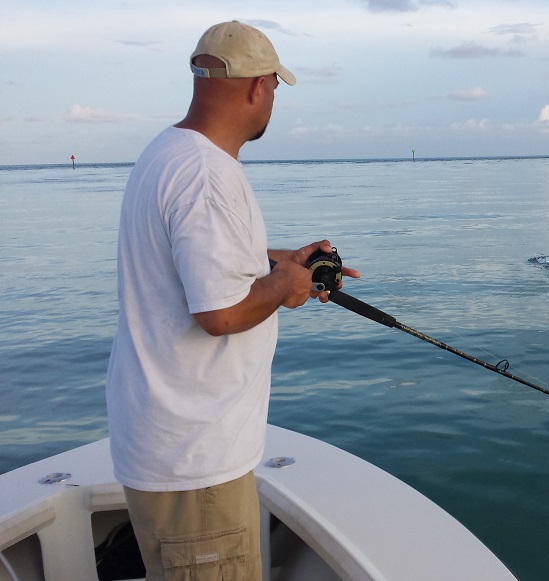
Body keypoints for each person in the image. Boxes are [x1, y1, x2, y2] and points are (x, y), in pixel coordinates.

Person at [105, 21, 358, 579]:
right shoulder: (205, 174)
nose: (273, 100)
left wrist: (283, 261)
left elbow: (200, 258)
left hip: (172, 449)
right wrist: (286, 286)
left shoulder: (170, 151)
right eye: (275, 87)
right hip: (197, 465)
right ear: (257, 87)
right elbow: (220, 313)